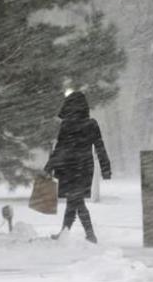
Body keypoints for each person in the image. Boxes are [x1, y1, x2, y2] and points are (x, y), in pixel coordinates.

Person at [43, 91, 111, 243]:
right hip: (84, 168)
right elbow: (99, 146)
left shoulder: (66, 125)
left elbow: (59, 148)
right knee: (74, 200)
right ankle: (68, 232)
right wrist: (105, 167)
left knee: (75, 200)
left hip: (68, 168)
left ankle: (89, 234)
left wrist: (49, 166)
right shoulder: (91, 124)